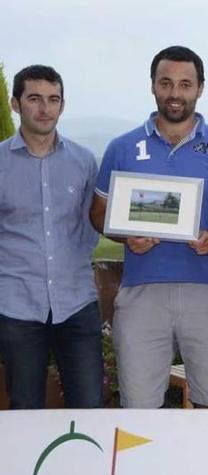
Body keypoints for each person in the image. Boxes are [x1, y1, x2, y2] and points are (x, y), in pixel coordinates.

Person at [90, 46, 208, 408]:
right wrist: (126, 237)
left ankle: (207, 468)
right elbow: (98, 213)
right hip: (143, 291)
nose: (175, 93)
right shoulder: (123, 147)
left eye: (185, 84)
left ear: (200, 88)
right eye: (166, 83)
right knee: (140, 409)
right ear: (153, 86)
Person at [0, 65, 103, 409]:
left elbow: (93, 224)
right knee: (25, 408)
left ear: (62, 105)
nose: (44, 109)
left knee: (89, 406)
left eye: (53, 99)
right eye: (34, 99)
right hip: (17, 306)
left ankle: (85, 466)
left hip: (76, 304)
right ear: (16, 104)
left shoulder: (84, 161)